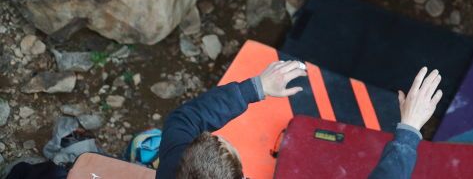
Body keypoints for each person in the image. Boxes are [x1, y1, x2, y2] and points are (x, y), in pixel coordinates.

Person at [158, 61, 442, 179]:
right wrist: (409, 129)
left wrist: (256, 87)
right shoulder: (176, 155)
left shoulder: (174, 163)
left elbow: (186, 118)